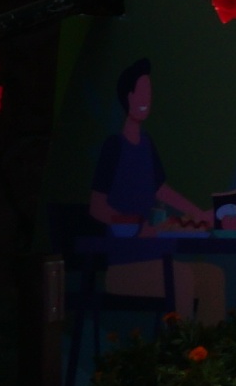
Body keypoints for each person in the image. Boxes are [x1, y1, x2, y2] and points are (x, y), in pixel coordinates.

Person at [90, 58, 227, 321]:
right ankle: (177, 354)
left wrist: (198, 214)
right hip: (123, 266)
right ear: (127, 97)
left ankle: (207, 356)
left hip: (155, 257)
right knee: (183, 278)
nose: (146, 98)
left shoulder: (146, 144)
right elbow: (97, 206)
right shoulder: (114, 147)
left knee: (213, 276)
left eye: (149, 92)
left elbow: (160, 189)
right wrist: (134, 225)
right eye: (140, 92)